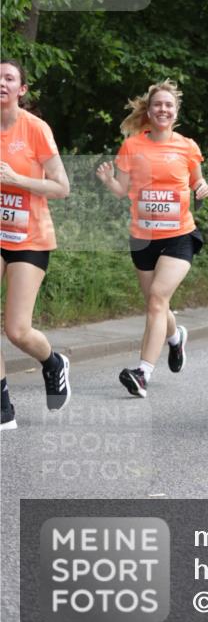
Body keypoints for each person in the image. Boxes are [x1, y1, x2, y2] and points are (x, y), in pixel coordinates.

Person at [96, 80, 208, 397]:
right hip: (142, 238)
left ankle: (142, 373)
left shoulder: (187, 146)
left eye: (168, 105)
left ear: (176, 112)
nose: (163, 109)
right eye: (157, 104)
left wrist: (202, 189)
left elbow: (198, 184)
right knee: (155, 304)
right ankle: (175, 339)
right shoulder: (132, 146)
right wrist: (108, 180)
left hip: (179, 235)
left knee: (158, 298)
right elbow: (122, 191)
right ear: (149, 110)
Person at [1, 59, 71, 430]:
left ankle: (52, 362)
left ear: (22, 90)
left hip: (30, 237)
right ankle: (2, 406)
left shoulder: (35, 130)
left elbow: (62, 187)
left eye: (9, 78)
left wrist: (16, 179)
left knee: (17, 330)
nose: (1, 83)